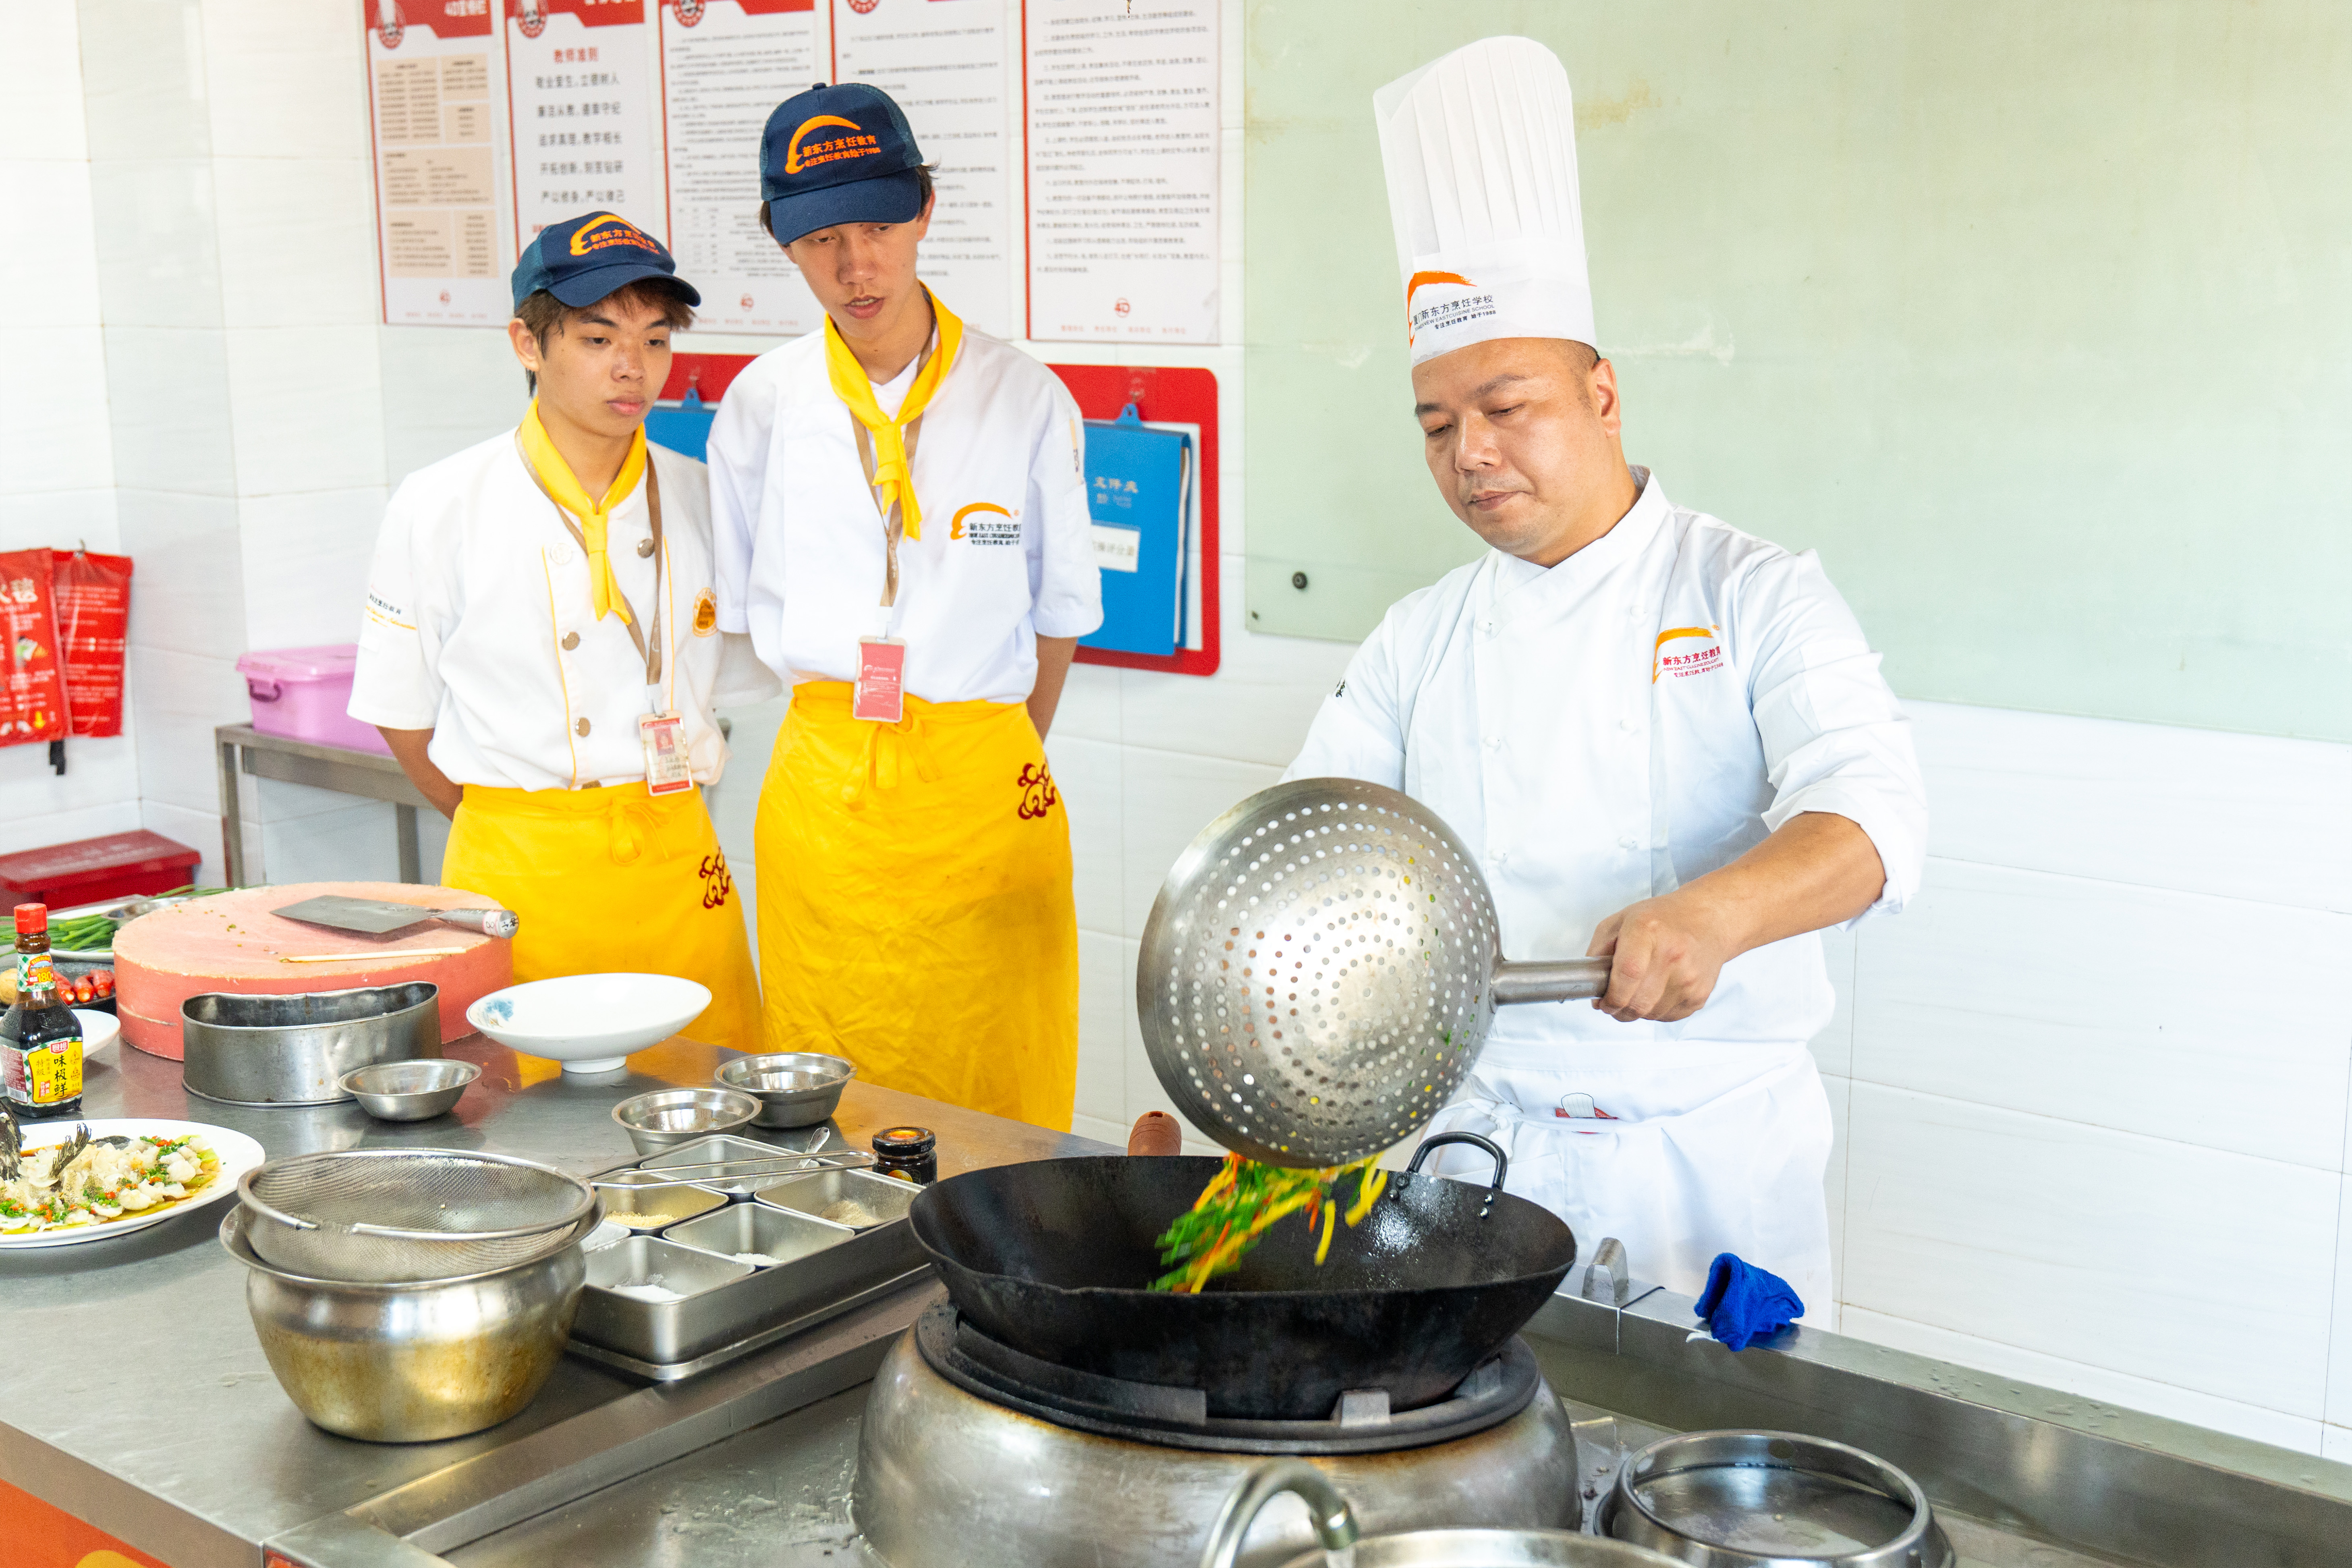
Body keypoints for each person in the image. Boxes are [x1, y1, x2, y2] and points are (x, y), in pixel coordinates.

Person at [1283, 37, 1928, 1309]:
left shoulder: (1748, 592)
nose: (1469, 453)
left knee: (1706, 1497)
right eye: (1434, 423)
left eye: (1506, 405)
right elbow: (1314, 842)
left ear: (1601, 393)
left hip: (1704, 1166)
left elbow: (1874, 820)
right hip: (1474, 1160)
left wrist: (1713, 914)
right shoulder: (1417, 635)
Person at [707, 83, 1102, 1129]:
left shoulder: (1024, 396)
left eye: (877, 227)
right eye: (822, 239)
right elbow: (746, 615)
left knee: (995, 1093)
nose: (855, 266)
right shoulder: (760, 405)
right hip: (826, 797)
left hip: (980, 782)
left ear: (924, 208)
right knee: (832, 1093)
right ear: (782, 244)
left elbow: (1058, 614)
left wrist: (995, 752)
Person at [350, 211, 776, 1055]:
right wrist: (513, 825)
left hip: (676, 863)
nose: (633, 367)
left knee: (708, 1127)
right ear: (527, 343)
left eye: (656, 341)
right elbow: (401, 711)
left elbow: (734, 674)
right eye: (597, 337)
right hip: (522, 869)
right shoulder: (441, 502)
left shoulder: (701, 496)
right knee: (534, 1135)